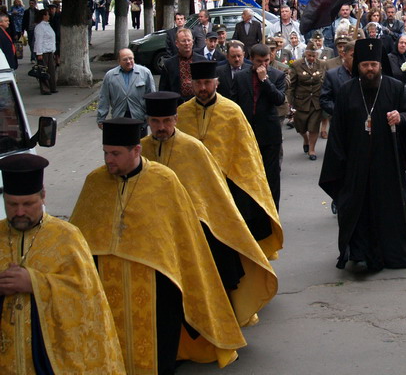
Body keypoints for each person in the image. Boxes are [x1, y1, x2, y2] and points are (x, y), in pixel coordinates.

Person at [70, 118, 246, 372]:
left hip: (157, 282)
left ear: (136, 150)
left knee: (159, 350)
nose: (109, 160)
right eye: (106, 153)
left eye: (116, 154)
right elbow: (78, 238)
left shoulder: (164, 180)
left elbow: (184, 236)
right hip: (108, 284)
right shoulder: (95, 182)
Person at [141, 92, 277, 326]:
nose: (161, 127)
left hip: (193, 224)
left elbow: (213, 193)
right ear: (148, 121)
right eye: (155, 121)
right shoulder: (142, 150)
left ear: (175, 120)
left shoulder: (193, 148)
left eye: (166, 121)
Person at [0, 154, 125, 373]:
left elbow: (86, 297)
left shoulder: (67, 237)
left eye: (28, 204)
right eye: (12, 204)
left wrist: (34, 283)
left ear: (43, 197)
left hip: (50, 360)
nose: (19, 212)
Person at [319, 39, 406, 272]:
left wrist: (402, 118)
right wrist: (339, 164)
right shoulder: (346, 91)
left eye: (374, 65)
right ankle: (360, 254)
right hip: (355, 163)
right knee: (359, 209)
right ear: (358, 65)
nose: (370, 69)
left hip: (388, 162)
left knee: (390, 210)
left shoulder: (395, 88)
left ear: (380, 65)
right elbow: (337, 131)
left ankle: (395, 254)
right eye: (365, 65)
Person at [177, 61, 283, 259]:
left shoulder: (232, 112)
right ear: (191, 84)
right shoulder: (181, 114)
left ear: (216, 83)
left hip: (227, 187)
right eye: (198, 83)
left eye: (207, 82)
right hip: (193, 190)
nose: (202, 88)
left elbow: (247, 155)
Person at [231, 44, 286, 210]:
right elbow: (233, 104)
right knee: (248, 175)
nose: (263, 65)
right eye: (259, 61)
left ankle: (272, 212)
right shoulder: (240, 77)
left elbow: (279, 99)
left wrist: (265, 81)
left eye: (266, 61)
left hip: (269, 135)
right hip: (247, 134)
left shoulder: (277, 75)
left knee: (271, 177)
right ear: (251, 60)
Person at [97, 48, 156, 136]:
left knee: (139, 143)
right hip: (119, 117)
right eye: (125, 59)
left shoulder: (145, 73)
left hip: (139, 118)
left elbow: (152, 96)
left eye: (130, 58)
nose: (128, 61)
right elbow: (104, 98)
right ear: (119, 61)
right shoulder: (110, 76)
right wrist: (101, 118)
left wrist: (152, 116)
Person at [287, 46, 326, 160]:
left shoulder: (322, 64)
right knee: (301, 126)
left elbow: (324, 81)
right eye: (309, 55)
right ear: (305, 54)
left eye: (314, 56)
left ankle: (312, 150)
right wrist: (289, 102)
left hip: (316, 101)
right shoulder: (297, 65)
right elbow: (292, 85)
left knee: (314, 126)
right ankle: (306, 139)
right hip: (301, 101)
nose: (312, 58)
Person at [159, 27, 197, 102]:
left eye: (189, 40)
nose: (187, 43)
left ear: (192, 42)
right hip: (176, 104)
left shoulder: (201, 61)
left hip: (197, 104)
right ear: (177, 43)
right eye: (183, 41)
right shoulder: (168, 64)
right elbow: (163, 90)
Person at [33, 9, 57, 95]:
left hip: (50, 50)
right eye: (47, 15)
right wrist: (39, 53)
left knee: (51, 70)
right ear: (44, 16)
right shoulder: (40, 27)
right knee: (43, 70)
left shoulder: (47, 25)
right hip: (43, 52)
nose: (49, 16)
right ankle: (45, 89)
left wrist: (53, 50)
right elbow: (38, 41)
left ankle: (52, 87)